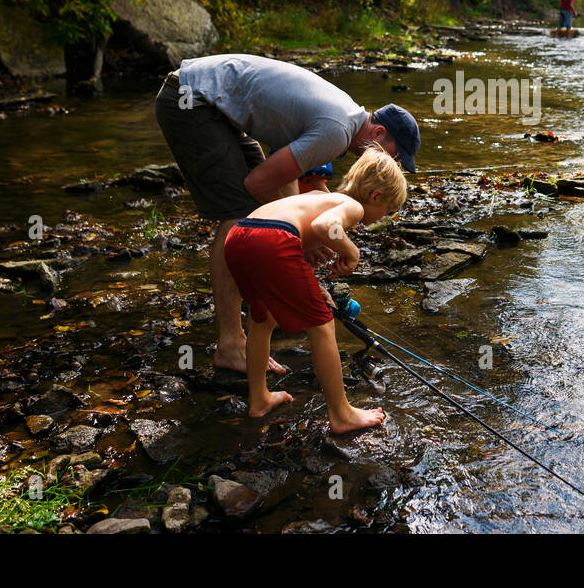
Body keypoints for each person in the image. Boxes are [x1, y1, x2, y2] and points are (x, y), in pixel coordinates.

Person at [153, 54, 420, 374]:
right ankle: (230, 344)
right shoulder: (337, 131)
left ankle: (262, 308)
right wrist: (298, 239)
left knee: (264, 218)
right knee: (241, 213)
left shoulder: (344, 115)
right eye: (396, 156)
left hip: (210, 103)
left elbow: (286, 176)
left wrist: (297, 239)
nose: (394, 165)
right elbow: (259, 183)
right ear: (377, 134)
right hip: (189, 99)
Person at [223, 147, 407, 430]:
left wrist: (314, 286)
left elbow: (293, 246)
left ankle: (258, 398)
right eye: (387, 210)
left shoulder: (318, 196)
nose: (384, 216)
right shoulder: (353, 207)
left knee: (262, 318)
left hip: (239, 235)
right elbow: (325, 226)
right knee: (322, 325)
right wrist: (351, 252)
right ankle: (342, 414)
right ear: (375, 196)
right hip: (272, 238)